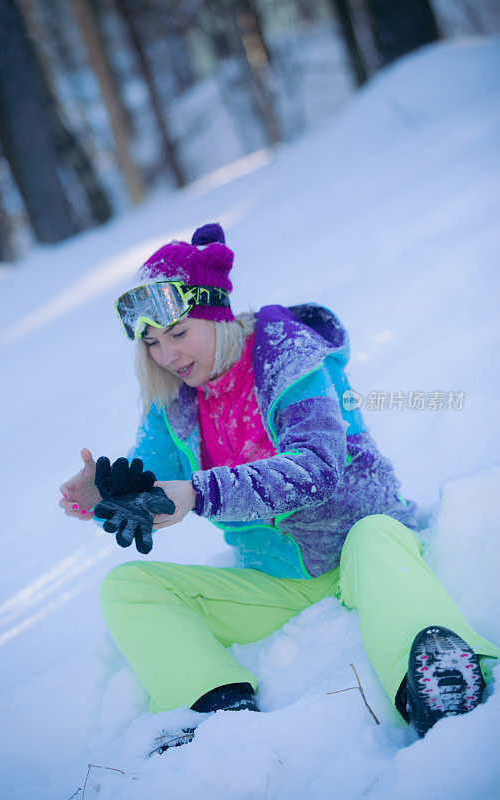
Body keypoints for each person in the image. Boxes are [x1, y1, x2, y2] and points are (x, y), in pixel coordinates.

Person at [60, 223, 499, 753]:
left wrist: (198, 494)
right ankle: (212, 705)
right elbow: (149, 475)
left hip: (361, 543)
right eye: (151, 342)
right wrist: (107, 489)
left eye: (179, 333)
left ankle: (432, 672)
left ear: (217, 315)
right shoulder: (175, 400)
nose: (168, 354)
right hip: (278, 582)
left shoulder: (287, 355)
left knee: (378, 537)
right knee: (128, 588)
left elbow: (316, 467)